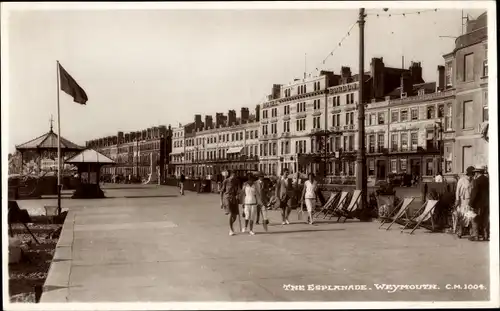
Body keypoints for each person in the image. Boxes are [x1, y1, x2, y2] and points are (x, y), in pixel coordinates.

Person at [469, 165, 489, 241]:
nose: (475, 174)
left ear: (477, 172)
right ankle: (485, 236)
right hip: (486, 203)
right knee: (485, 220)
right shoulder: (487, 180)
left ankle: (476, 236)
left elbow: (475, 193)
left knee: (475, 220)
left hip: (478, 204)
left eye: (475, 172)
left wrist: (470, 204)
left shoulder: (477, 181)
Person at [454, 166, 474, 237]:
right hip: (463, 200)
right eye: (472, 173)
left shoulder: (473, 180)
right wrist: (457, 199)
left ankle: (471, 232)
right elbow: (457, 191)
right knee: (463, 215)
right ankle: (460, 231)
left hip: (470, 200)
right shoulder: (462, 180)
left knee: (470, 215)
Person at [220, 170, 240, 236]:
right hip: (227, 198)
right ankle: (231, 229)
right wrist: (221, 202)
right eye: (233, 175)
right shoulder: (226, 181)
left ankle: (230, 225)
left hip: (234, 198)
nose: (234, 177)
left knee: (235, 216)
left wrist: (238, 195)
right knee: (230, 213)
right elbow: (221, 191)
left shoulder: (237, 181)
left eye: (235, 175)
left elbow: (238, 190)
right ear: (231, 175)